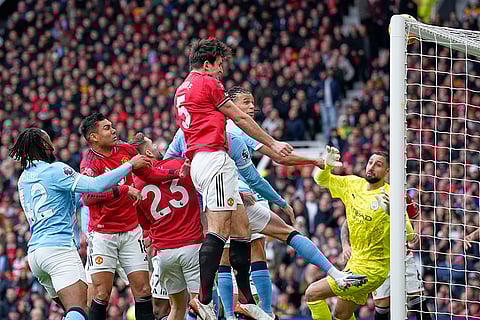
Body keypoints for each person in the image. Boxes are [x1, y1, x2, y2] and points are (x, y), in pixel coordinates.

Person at [165, 128, 368, 320]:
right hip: (228, 198)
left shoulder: (191, 133)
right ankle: (222, 305)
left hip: (223, 200)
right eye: (246, 103)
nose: (251, 108)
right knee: (234, 250)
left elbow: (168, 165)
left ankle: (245, 308)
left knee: (246, 249)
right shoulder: (234, 132)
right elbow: (275, 159)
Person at [175, 38, 292, 320]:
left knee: (241, 229)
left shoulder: (181, 89)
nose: (221, 72)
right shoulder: (207, 83)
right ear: (207, 64)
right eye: (219, 66)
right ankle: (203, 299)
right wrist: (272, 143)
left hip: (205, 161)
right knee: (218, 230)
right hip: (213, 159)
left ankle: (246, 300)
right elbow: (239, 118)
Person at [9, 128, 151, 320]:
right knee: (79, 310)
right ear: (44, 145)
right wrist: (129, 166)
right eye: (50, 140)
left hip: (35, 254)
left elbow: (77, 199)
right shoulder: (56, 170)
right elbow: (95, 186)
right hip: (59, 251)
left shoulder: (23, 179)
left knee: (74, 311)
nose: (53, 145)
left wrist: (119, 190)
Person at [79, 113, 187, 320]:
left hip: (131, 231)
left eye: (111, 126)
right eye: (106, 128)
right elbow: (88, 197)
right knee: (101, 294)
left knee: (143, 290)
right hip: (103, 235)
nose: (113, 131)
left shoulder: (126, 150)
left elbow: (148, 174)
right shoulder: (90, 163)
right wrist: (122, 190)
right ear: (93, 137)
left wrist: (176, 174)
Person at [305, 147, 415, 320]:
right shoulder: (353, 184)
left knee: (312, 294)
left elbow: (410, 236)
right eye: (370, 162)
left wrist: (394, 214)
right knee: (341, 314)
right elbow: (321, 180)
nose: (371, 167)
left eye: (378, 165)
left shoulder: (391, 195)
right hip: (354, 263)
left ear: (387, 171)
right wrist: (326, 166)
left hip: (372, 271)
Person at [130, 133, 202, 320]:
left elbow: (145, 224)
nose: (158, 147)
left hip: (164, 254)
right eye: (153, 144)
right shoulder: (178, 165)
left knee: (176, 309)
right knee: (201, 305)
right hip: (192, 245)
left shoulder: (135, 185)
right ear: (148, 152)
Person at [341, 197, 431, 320]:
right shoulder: (367, 198)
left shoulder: (403, 196)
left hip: (403, 256)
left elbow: (416, 218)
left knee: (418, 300)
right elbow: (346, 225)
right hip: (378, 260)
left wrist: (414, 237)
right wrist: (345, 245)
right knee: (382, 306)